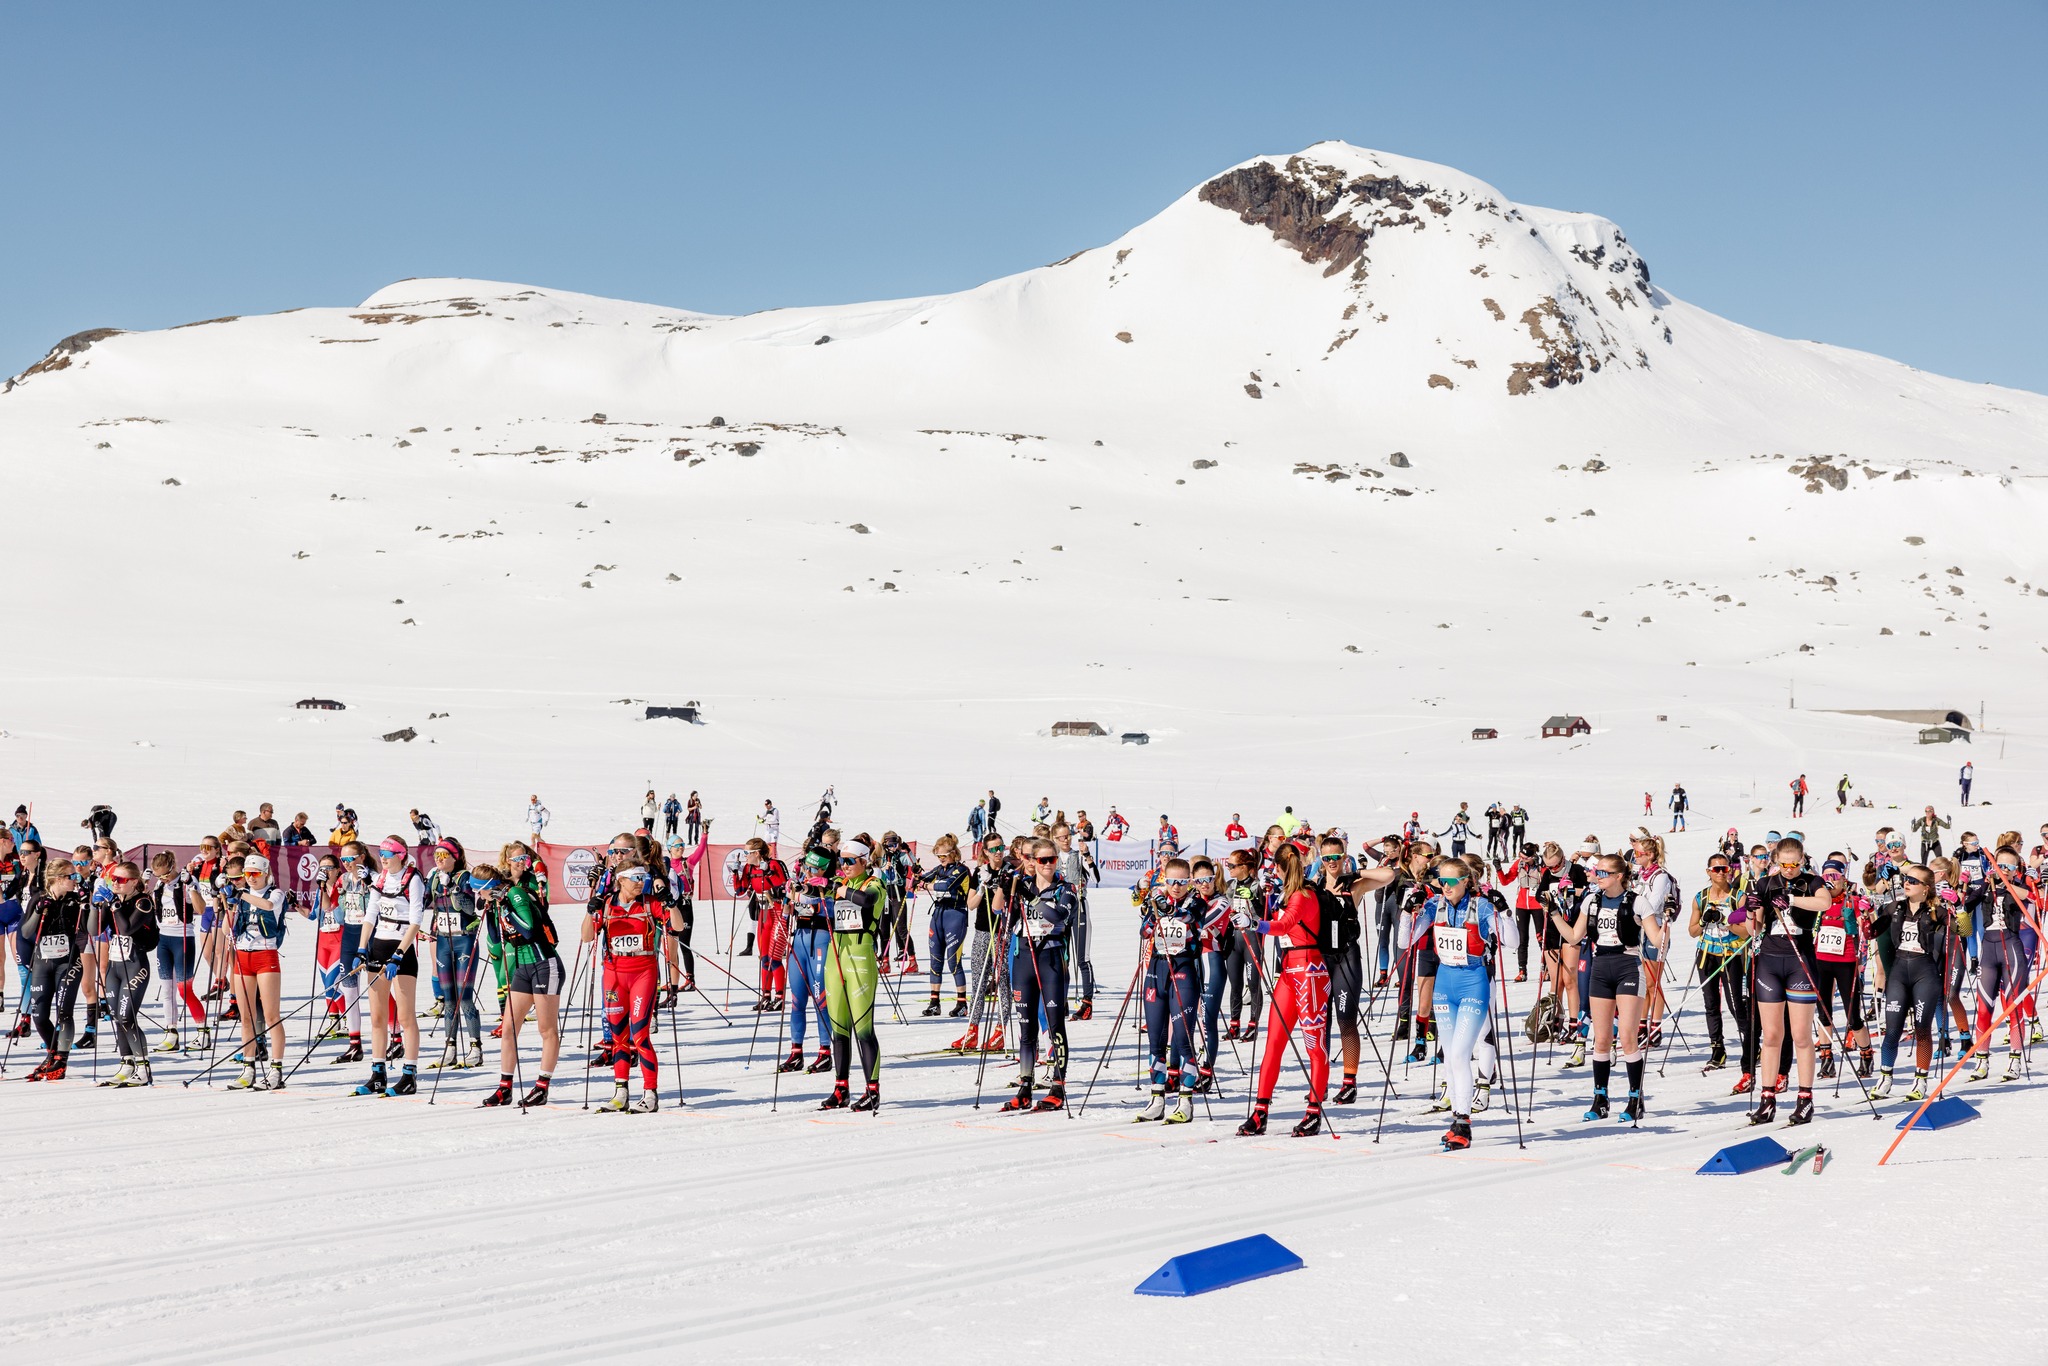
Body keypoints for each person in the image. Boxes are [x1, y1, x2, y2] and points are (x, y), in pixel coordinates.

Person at [1553, 854, 1667, 1123]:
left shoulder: (1637, 901)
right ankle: (1600, 1099)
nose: (1596, 875)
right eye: (1596, 871)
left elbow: (1657, 942)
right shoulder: (1591, 901)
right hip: (1601, 967)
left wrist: (1668, 919)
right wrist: (1554, 913)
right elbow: (1573, 937)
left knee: (1627, 1037)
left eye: (1602, 872)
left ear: (1618, 876)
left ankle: (1635, 1099)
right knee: (1601, 1039)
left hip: (1627, 966)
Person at [1409, 855, 1511, 1150]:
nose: (1445, 886)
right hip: (1444, 984)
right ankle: (1456, 1119)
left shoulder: (1480, 907)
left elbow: (1512, 941)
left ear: (1466, 881)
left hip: (1473, 982)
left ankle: (1464, 1123)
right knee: (1450, 1057)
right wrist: (1408, 912)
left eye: (1451, 881)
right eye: (1441, 881)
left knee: (1459, 1055)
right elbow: (1407, 940)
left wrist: (1503, 912)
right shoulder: (1435, 905)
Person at [1235, 843, 1328, 1137]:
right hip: (1288, 971)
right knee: (1273, 1042)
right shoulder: (1286, 895)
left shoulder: (1303, 895)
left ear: (1279, 867)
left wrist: (1256, 924)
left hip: (1310, 971)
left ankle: (1314, 1112)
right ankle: (1260, 1112)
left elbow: (1285, 925)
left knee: (1314, 1046)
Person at [1742, 836, 1836, 1125]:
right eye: (1784, 864)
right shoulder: (1765, 883)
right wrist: (1752, 907)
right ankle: (1767, 1098)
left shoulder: (1812, 881)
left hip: (1800, 959)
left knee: (1800, 1035)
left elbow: (1826, 902)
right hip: (1770, 958)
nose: (1789, 869)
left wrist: (1793, 899)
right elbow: (1752, 928)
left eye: (1794, 863)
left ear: (1802, 860)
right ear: (1776, 862)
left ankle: (1805, 1098)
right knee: (1770, 1035)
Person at [479, 844, 564, 1107]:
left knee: (546, 1029)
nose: (476, 894)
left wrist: (505, 907)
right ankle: (505, 1087)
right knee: (509, 1028)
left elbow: (529, 929)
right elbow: (496, 938)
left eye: (479, 889)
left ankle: (542, 1086)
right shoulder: (498, 900)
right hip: (523, 968)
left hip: (543, 962)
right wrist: (491, 911)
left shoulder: (515, 894)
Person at [997, 837, 1076, 1113]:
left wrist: (1030, 898)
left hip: (1051, 958)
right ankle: (1025, 1084)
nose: (1045, 865)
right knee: (1025, 1025)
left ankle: (1058, 1085)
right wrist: (1003, 886)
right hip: (1024, 958)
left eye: (1050, 860)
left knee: (1055, 1024)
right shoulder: (1025, 885)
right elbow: (997, 908)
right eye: (1040, 860)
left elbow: (1057, 917)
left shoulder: (1065, 889)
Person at [584, 861, 667, 1113]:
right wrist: (590, 911)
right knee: (618, 1038)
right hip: (614, 974)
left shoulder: (650, 902)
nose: (640, 881)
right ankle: (620, 1092)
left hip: (642, 971)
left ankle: (650, 1094)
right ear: (620, 880)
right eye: (635, 877)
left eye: (643, 877)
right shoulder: (608, 904)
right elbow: (587, 936)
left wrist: (671, 903)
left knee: (640, 1034)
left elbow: (676, 927)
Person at [1871, 864, 1956, 1099]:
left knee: (1922, 1030)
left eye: (1913, 881)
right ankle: (1885, 1078)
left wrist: (1957, 908)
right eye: (1906, 879)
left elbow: (1964, 930)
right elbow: (1871, 931)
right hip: (1899, 972)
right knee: (1892, 1030)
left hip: (1925, 974)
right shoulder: (1895, 907)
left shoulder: (1936, 911)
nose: (1907, 883)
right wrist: (1863, 913)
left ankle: (1920, 1081)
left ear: (1926, 889)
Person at [350, 838, 424, 1097]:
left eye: (389, 853)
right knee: (378, 1017)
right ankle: (378, 1073)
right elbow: (371, 915)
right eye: (381, 853)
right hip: (378, 947)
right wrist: (361, 949)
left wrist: (399, 954)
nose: (383, 857)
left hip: (401, 950)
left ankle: (409, 1075)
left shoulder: (413, 879)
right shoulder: (380, 879)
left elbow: (415, 921)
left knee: (405, 1017)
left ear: (401, 855)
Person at [820, 836, 887, 1112]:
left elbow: (867, 901)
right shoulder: (842, 884)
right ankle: (841, 1088)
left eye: (850, 862)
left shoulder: (875, 884)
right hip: (836, 958)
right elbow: (818, 901)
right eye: (842, 861)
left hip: (860, 956)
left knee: (863, 1028)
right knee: (838, 1028)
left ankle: (872, 1090)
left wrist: (840, 891)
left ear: (863, 861)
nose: (844, 866)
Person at [1133, 857, 1203, 1123]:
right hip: (1157, 969)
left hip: (1183, 969)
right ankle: (1157, 1099)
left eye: (1182, 882)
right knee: (1155, 1039)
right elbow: (1145, 931)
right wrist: (1154, 912)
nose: (1176, 887)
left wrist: (1168, 910)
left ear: (1189, 882)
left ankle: (1185, 1101)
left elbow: (1191, 918)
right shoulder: (1159, 900)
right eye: (1171, 881)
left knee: (1183, 1039)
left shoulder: (1194, 902)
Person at [1968, 844, 2037, 1082]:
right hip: (1989, 948)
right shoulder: (1986, 887)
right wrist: (1967, 891)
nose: (2003, 870)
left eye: (2009, 866)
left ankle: (2015, 1059)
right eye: (2000, 865)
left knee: (2012, 1006)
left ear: (2015, 869)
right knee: (1984, 1007)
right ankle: (1982, 1061)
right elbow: (1966, 905)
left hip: (2011, 947)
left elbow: (2032, 899)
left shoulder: (2018, 888)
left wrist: (2013, 884)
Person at [224, 855, 289, 1092]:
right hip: (243, 955)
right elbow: (225, 929)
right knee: (247, 1016)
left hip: (265, 955)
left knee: (271, 1016)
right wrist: (226, 904)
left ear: (265, 874)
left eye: (255, 874)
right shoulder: (241, 898)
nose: (250, 879)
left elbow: (269, 907)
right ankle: (248, 1068)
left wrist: (240, 894)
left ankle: (276, 1069)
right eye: (247, 875)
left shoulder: (275, 894)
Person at [779, 828, 839, 1075]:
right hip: (800, 941)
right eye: (807, 867)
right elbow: (786, 912)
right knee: (796, 1000)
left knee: (820, 998)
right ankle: (796, 1052)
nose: (809, 872)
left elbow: (825, 901)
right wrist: (788, 901)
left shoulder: (832, 883)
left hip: (821, 940)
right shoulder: (801, 881)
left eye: (814, 869)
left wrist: (804, 893)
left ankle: (825, 1052)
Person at [22, 857, 88, 1081]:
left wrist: (85, 905)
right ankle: (52, 1054)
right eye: (72, 877)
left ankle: (62, 1059)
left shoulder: (74, 899)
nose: (76, 880)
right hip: (43, 961)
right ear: (59, 879)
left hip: (68, 962)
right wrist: (39, 912)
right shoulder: (39, 898)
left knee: (63, 1012)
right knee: (39, 1015)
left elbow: (89, 929)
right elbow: (26, 932)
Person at [95, 860, 159, 1087]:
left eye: (120, 880)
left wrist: (114, 905)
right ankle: (127, 1063)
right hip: (115, 965)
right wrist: (97, 906)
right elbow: (95, 929)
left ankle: (143, 1067)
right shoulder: (116, 901)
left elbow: (126, 928)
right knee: (116, 1017)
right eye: (113, 880)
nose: (115, 884)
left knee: (127, 1017)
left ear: (133, 882)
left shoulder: (143, 902)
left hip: (135, 965)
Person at [1688, 854, 1751, 1077]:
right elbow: (1692, 930)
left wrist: (1727, 921)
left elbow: (1748, 932)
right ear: (1709, 872)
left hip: (1731, 955)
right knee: (1711, 1003)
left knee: (1736, 1004)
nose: (1721, 873)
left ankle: (1750, 1047)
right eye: (1716, 869)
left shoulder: (1739, 897)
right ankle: (1717, 1050)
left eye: (1724, 869)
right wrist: (1705, 920)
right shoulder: (1701, 897)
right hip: (1707, 954)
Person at [423, 839, 483, 1071]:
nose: (439, 860)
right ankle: (450, 1048)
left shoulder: (465, 877)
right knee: (448, 999)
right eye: (437, 855)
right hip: (443, 942)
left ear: (455, 857)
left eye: (444, 855)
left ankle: (475, 1048)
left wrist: (455, 891)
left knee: (464, 997)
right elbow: (423, 903)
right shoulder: (436, 877)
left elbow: (471, 909)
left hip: (464, 941)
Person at [1811, 857, 1872, 1079]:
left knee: (1852, 1015)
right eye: (1826, 877)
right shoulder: (1818, 902)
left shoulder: (1852, 901)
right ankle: (1827, 1059)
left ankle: (1866, 1054)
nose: (1830, 881)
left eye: (1834, 876)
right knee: (1824, 1012)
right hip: (1821, 962)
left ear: (1843, 878)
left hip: (1846, 962)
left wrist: (1866, 912)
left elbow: (1869, 927)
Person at [920, 835, 971, 1018]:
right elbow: (925, 876)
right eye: (938, 856)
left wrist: (929, 884)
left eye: (944, 856)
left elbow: (947, 885)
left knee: (953, 961)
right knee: (935, 960)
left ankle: (962, 1003)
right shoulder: (940, 868)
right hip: (938, 915)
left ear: (953, 853)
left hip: (955, 915)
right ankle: (934, 1003)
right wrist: (917, 876)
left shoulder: (961, 870)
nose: (941, 860)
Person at [1053, 823, 1097, 1018]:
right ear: (1054, 838)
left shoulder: (1077, 854)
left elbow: (1096, 877)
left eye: (1068, 836)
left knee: (1082, 957)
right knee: (1061, 958)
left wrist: (1087, 856)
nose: (1066, 840)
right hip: (1059, 910)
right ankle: (1061, 1000)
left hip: (1078, 906)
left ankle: (1087, 1003)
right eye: (1061, 837)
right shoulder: (1050, 858)